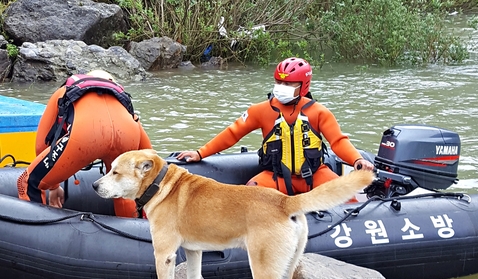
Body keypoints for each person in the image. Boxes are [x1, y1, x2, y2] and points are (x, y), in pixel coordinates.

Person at [176, 57, 373, 196]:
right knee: (250, 193)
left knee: (348, 197)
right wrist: (200, 153)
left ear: (304, 85)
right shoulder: (260, 111)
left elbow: (338, 142)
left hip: (315, 175)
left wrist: (357, 160)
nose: (281, 87)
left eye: (288, 84)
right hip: (276, 176)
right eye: (278, 82)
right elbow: (232, 133)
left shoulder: (319, 112)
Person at [17, 69, 152, 217]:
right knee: (122, 191)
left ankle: (35, 235)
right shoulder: (121, 99)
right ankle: (137, 235)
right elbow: (148, 153)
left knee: (27, 182)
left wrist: (53, 186)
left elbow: (42, 145)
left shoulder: (67, 90)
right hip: (127, 136)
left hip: (86, 137)